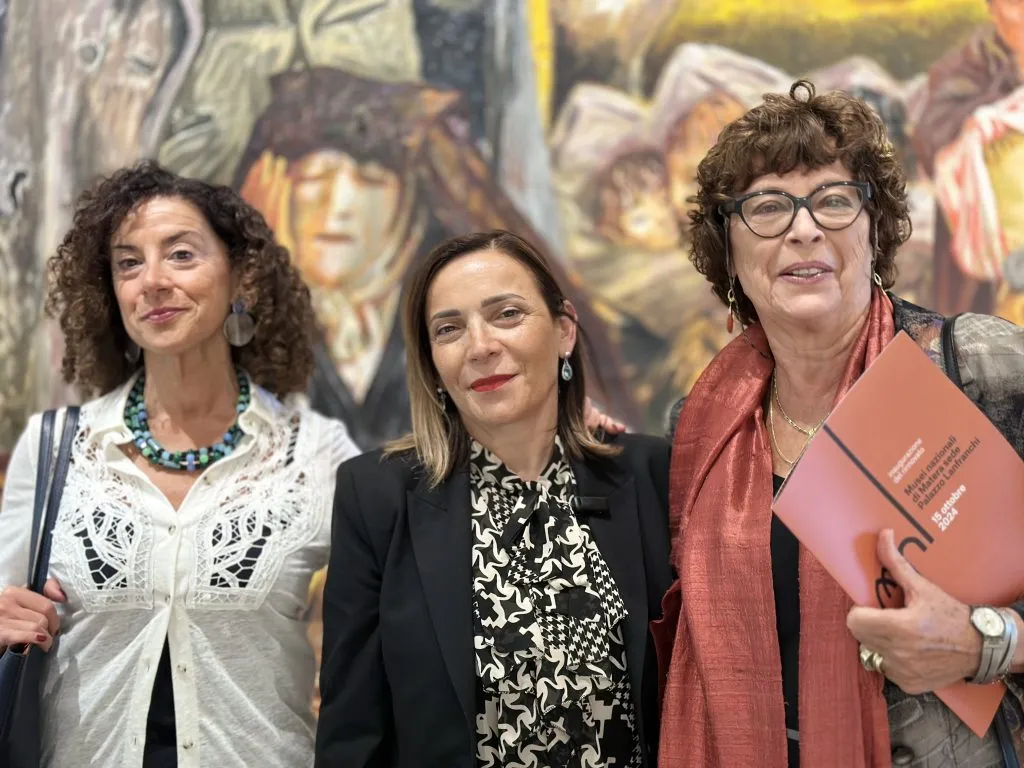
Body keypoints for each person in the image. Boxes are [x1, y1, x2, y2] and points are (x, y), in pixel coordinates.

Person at [654, 81, 1024, 768]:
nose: (803, 229)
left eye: (832, 199)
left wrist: (985, 641)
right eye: (768, 206)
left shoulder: (978, 366)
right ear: (728, 250)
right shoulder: (698, 431)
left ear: (873, 228)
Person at [0, 161, 360, 767]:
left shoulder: (315, 452)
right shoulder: (55, 445)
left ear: (241, 275)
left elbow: (392, 619)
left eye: (181, 255)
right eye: (128, 263)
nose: (153, 281)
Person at [314, 230, 672, 767]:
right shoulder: (377, 496)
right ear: (432, 361)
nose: (480, 347)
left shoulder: (650, 474)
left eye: (507, 314)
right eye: (449, 328)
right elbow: (353, 732)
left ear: (564, 331)